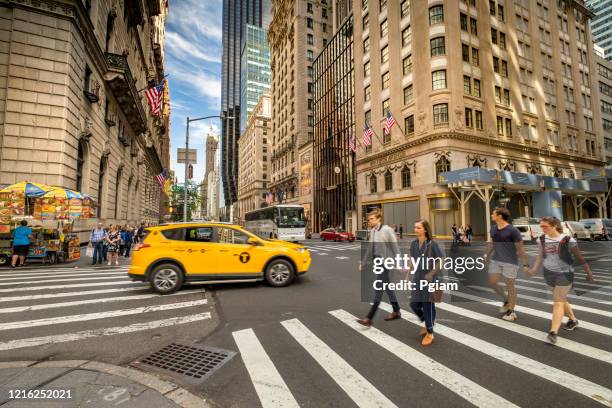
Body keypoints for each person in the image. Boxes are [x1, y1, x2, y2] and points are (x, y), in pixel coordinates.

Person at [527, 217, 594, 344]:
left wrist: (588, 272)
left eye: (545, 226)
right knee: (561, 299)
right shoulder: (541, 239)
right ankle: (573, 319)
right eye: (541, 226)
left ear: (554, 226)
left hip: (565, 274)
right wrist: (534, 269)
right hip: (549, 274)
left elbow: (580, 257)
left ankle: (553, 332)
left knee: (557, 301)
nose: (542, 229)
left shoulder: (568, 240)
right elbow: (540, 256)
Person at [357, 209, 402, 327]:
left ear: (379, 219)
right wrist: (363, 262)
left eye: (372, 219)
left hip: (386, 262)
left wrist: (399, 263)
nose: (370, 221)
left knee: (379, 289)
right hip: (377, 261)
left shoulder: (387, 230)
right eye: (369, 219)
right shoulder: (372, 232)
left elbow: (395, 248)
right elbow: (370, 248)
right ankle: (396, 310)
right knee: (387, 287)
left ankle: (369, 318)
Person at [484, 207, 530, 322]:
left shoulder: (512, 230)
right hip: (496, 260)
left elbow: (520, 248)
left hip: (510, 261)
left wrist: (525, 264)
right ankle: (506, 300)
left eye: (493, 213)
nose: (491, 215)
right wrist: (486, 256)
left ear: (500, 216)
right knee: (493, 282)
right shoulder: (493, 228)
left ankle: (511, 311)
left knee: (510, 286)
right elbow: (491, 243)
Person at [408, 219, 443, 346]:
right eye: (415, 227)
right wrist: (407, 275)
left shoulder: (432, 244)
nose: (415, 229)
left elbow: (440, 262)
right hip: (417, 278)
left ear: (425, 230)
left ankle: (430, 332)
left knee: (427, 306)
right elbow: (412, 261)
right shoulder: (413, 244)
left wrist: (431, 274)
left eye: (418, 228)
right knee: (414, 305)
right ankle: (428, 321)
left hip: (430, 280)